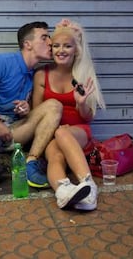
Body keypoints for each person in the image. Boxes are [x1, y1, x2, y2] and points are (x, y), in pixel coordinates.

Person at [0, 21, 63, 199]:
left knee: (54, 105)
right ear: (27, 44)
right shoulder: (2, 62)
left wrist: (26, 108)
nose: (50, 42)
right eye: (44, 37)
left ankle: (31, 163)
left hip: (12, 132)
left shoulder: (34, 73)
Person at [32, 18, 106, 210]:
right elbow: (37, 114)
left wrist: (81, 103)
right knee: (55, 156)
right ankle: (63, 192)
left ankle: (89, 187)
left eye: (67, 46)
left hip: (78, 132)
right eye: (56, 45)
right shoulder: (42, 74)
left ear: (76, 50)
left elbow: (88, 117)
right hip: (51, 133)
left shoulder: (83, 74)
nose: (60, 50)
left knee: (63, 133)